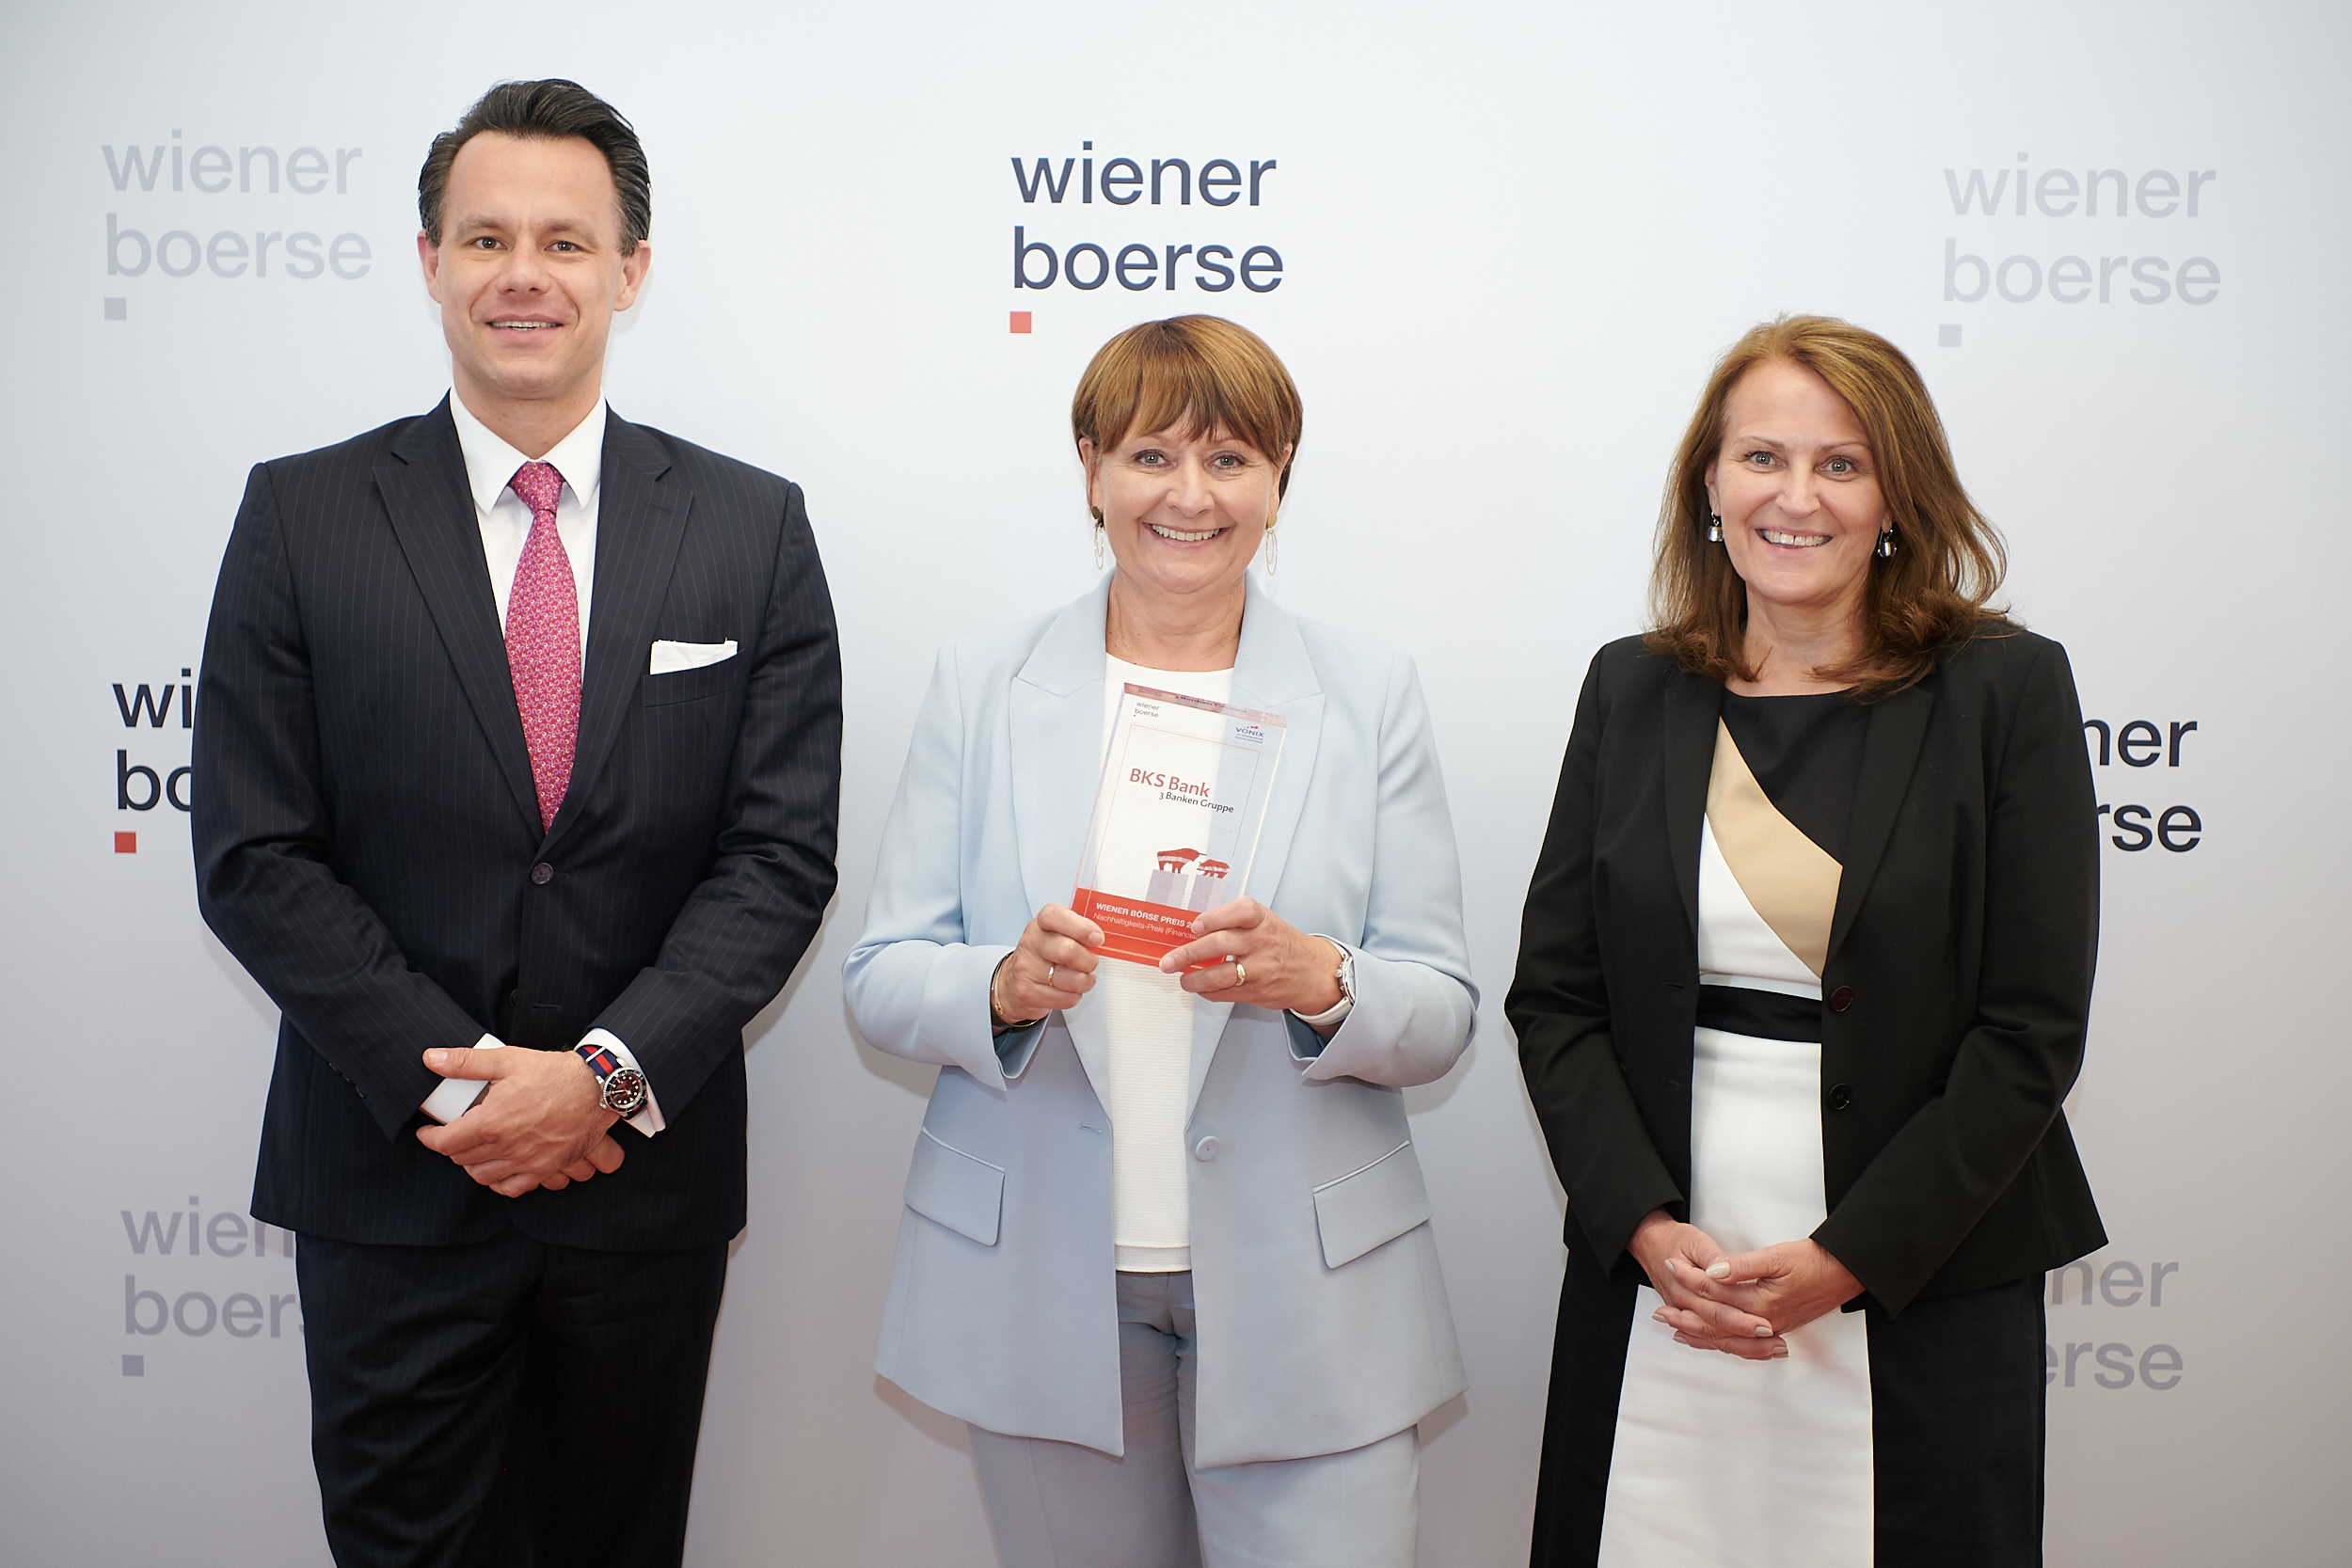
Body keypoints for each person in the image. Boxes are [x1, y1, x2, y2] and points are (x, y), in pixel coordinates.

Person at [191, 80, 841, 1568]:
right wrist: (472, 1099)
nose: (523, 275)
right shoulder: (301, 516)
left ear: (631, 269)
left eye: (565, 240)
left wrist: (600, 1080)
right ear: (431, 263)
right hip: (390, 1182)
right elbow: (255, 853)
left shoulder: (752, 526)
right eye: (486, 239)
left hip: (637, 1194)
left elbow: (778, 856)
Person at [844, 315, 1475, 1568]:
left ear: (1279, 479)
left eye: (1230, 459)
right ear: (1091, 470)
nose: (1190, 495)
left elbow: (1444, 1006)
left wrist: (1324, 980)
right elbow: (880, 977)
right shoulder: (984, 683)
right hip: (1041, 1277)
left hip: (1311, 1289)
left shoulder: (1367, 693)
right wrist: (1003, 987)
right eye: (1150, 456)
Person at [1508, 315, 2105, 1567]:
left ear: (1896, 497)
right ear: (1709, 483)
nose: (1797, 497)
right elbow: (1558, 998)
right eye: (1762, 457)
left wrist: (1849, 1259)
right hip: (1668, 1279)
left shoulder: (2005, 689)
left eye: (1841, 464)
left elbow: (2029, 1031)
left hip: (1919, 1272)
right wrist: (1640, 1225)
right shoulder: (1630, 687)